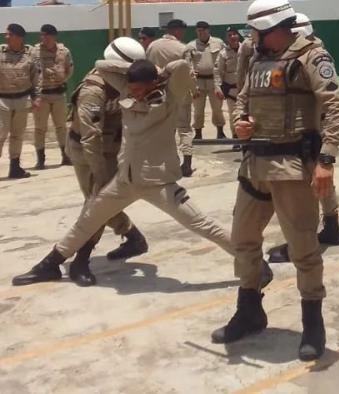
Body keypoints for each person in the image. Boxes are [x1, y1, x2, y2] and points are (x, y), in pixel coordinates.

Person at [11, 57, 256, 288]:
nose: (136, 93)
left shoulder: (170, 97)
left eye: (141, 88)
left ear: (153, 82)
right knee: (87, 220)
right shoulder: (127, 90)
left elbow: (181, 66)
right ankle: (50, 265)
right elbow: (102, 65)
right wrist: (135, 69)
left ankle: (255, 265)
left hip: (158, 183)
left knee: (203, 225)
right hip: (125, 180)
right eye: (133, 87)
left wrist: (159, 73)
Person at [210, 0, 339, 364]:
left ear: (277, 29)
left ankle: (313, 324)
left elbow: (336, 105)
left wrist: (326, 160)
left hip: (291, 166)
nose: (253, 37)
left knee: (303, 248)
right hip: (255, 164)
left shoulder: (311, 57)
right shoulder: (257, 58)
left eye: (258, 31)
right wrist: (241, 121)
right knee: (243, 240)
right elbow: (243, 96)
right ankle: (250, 311)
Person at [60, 37, 150, 284]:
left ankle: (84, 258)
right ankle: (130, 239)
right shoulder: (94, 90)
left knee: (96, 206)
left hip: (110, 149)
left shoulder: (120, 84)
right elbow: (91, 139)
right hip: (88, 151)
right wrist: (101, 177)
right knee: (98, 202)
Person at [266, 13, 339, 264]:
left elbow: (333, 101)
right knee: (320, 182)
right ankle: (331, 226)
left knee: (303, 190)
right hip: (314, 127)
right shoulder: (313, 51)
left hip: (310, 129)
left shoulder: (311, 55)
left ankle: (301, 244)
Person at [147, 20, 194, 177]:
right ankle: (186, 163)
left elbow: (147, 67)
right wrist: (194, 89)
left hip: (158, 93)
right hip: (180, 93)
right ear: (178, 31)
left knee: (165, 129)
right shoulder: (183, 48)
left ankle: (169, 162)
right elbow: (189, 71)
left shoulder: (153, 46)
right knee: (184, 128)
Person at [0, 23, 41, 178]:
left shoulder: (30, 54)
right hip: (2, 100)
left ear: (18, 37)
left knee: (18, 135)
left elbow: (36, 78)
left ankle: (15, 167)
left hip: (22, 100)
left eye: (9, 34)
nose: (6, 37)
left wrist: (37, 97)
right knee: (0, 134)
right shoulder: (0, 51)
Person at [31, 24, 74, 169]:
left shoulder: (64, 51)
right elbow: (31, 70)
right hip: (41, 94)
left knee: (61, 126)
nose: (43, 38)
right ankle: (40, 159)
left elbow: (70, 69)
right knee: (40, 128)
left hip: (58, 93)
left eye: (45, 35)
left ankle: (65, 155)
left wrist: (61, 80)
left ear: (53, 36)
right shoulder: (35, 51)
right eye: (41, 35)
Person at [185, 21, 226, 140]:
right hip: (198, 81)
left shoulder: (218, 43)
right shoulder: (191, 46)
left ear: (208, 30)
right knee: (198, 109)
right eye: (198, 30)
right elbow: (188, 65)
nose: (200, 33)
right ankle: (198, 133)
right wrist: (192, 84)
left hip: (214, 81)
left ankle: (220, 132)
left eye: (203, 30)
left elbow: (224, 60)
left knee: (217, 108)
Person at [215, 26, 243, 141]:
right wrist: (218, 87)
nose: (232, 37)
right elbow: (217, 71)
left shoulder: (247, 49)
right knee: (233, 115)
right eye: (229, 35)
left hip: (246, 89)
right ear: (227, 38)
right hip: (231, 90)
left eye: (234, 34)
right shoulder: (223, 54)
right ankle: (236, 138)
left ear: (238, 35)